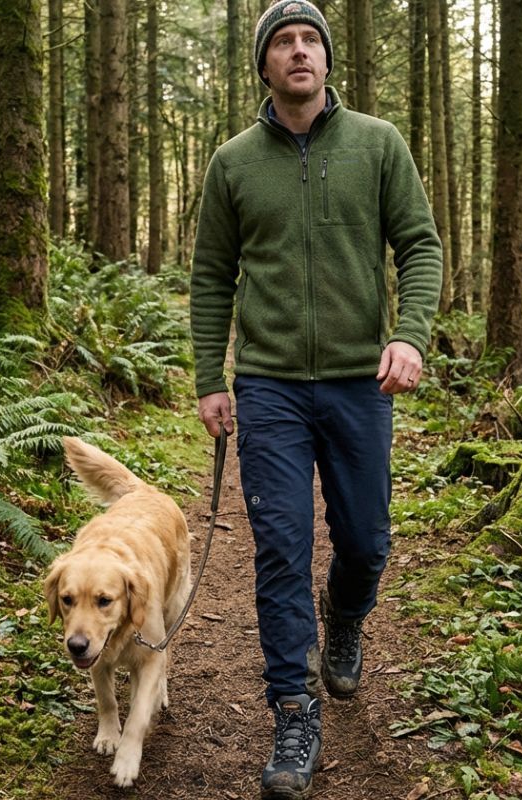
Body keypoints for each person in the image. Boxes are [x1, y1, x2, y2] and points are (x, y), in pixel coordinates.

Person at [190, 1, 443, 797]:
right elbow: (209, 278)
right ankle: (293, 711)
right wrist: (208, 378)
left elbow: (421, 245)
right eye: (283, 43)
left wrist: (410, 335)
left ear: (328, 61)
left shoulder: (378, 144)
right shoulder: (233, 162)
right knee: (280, 547)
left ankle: (347, 616)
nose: (298, 52)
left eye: (310, 41)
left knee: (366, 540)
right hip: (267, 388)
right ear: (264, 65)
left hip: (357, 383)